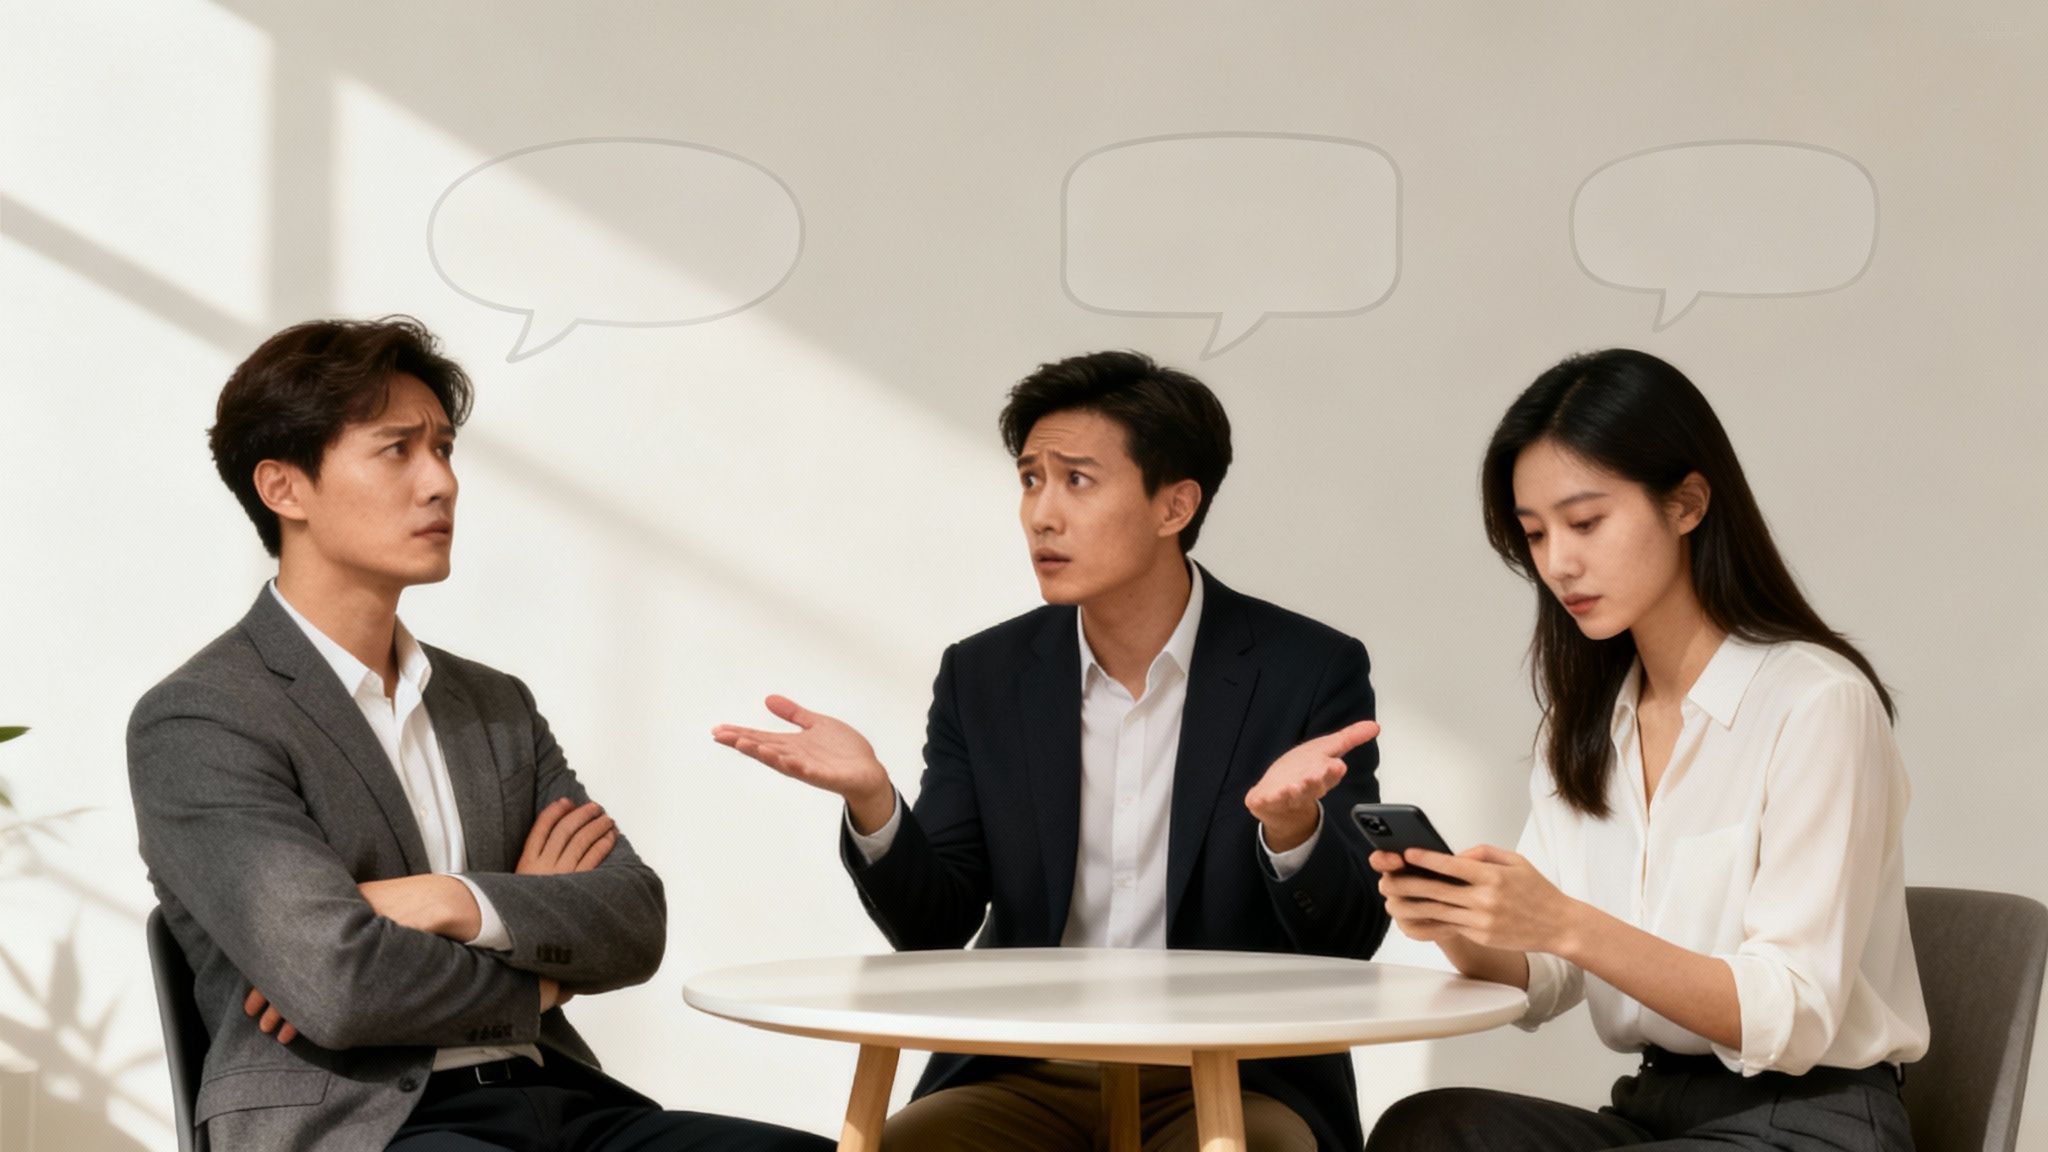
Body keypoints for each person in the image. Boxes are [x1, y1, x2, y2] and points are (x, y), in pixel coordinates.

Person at [128, 317, 831, 1152]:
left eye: (446, 449)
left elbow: (633, 920)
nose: (441, 483)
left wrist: (446, 899)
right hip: (359, 1126)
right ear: (284, 489)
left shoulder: (492, 703)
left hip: (560, 1098)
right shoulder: (202, 718)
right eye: (397, 450)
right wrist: (540, 979)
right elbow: (337, 984)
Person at [714, 350, 1389, 1152]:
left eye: (1077, 480)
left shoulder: (1306, 670)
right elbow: (936, 924)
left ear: (1175, 505)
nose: (1041, 514)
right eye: (1031, 479)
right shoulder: (986, 675)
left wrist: (1293, 830)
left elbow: (1347, 942)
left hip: (1230, 1073)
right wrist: (874, 804)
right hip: (1023, 1070)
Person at [1364, 349, 1928, 1152]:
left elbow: (1793, 1012)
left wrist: (1564, 922)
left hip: (1812, 1122)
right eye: (1534, 534)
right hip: (1655, 1110)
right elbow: (1549, 974)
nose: (1559, 562)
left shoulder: (1817, 704)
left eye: (1586, 522)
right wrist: (1459, 921)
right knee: (1430, 1129)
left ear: (1688, 502)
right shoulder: (1589, 722)